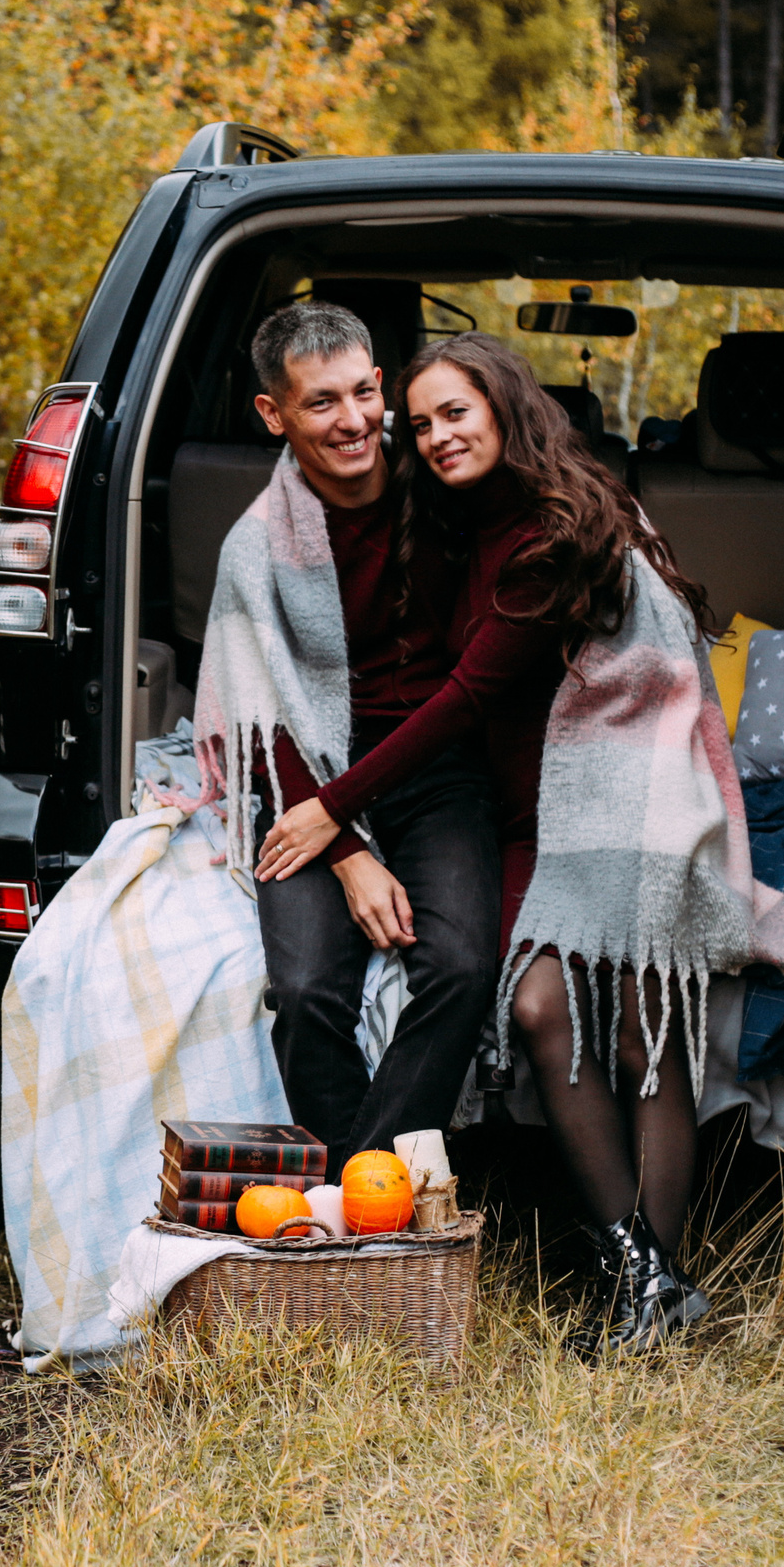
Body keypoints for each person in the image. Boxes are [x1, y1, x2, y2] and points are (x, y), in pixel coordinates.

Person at [254, 331, 721, 1356]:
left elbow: (464, 701)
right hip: (533, 819)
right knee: (539, 1004)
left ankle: (649, 1282)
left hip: (632, 813)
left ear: (506, 404)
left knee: (642, 1026)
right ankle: (642, 1271)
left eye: (454, 412)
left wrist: (334, 808)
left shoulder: (560, 533)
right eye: (418, 424)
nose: (434, 436)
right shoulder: (452, 521)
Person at [195, 302, 501, 1179]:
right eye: (322, 402)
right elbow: (263, 714)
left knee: (461, 965)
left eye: (366, 391)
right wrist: (346, 850)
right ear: (274, 414)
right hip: (310, 778)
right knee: (302, 992)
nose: (357, 419)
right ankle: (369, 1200)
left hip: (441, 771)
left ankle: (359, 1191)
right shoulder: (256, 545)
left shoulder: (446, 492)